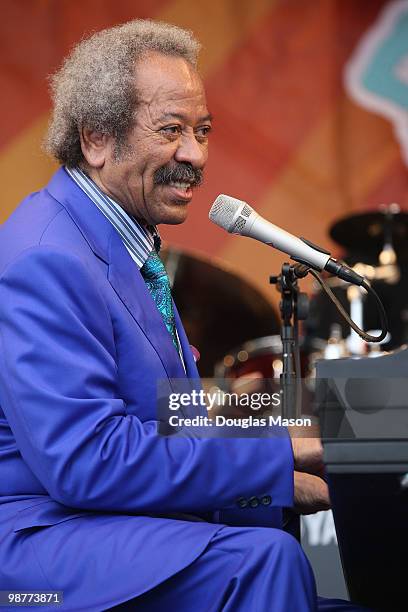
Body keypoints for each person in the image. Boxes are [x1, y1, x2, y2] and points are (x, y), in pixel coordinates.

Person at [0, 19, 367, 611]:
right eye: (170, 130)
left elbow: (166, 416)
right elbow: (86, 460)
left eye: (203, 130)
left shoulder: (118, 244)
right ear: (96, 138)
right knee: (262, 562)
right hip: (40, 540)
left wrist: (277, 449)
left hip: (105, 520)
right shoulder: (48, 258)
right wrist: (276, 458)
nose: (195, 155)